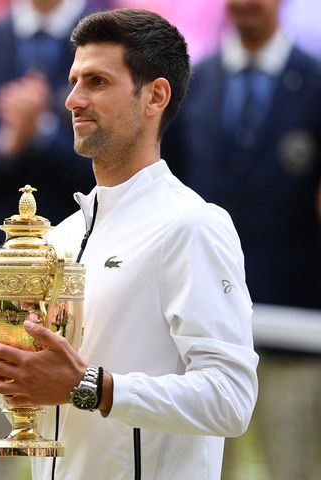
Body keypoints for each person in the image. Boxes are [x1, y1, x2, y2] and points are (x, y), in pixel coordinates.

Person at [0, 8, 259, 479]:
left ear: (155, 96)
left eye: (97, 81)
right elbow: (66, 393)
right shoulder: (61, 235)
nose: (73, 100)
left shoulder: (193, 225)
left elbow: (231, 399)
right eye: (74, 81)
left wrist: (90, 386)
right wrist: (14, 362)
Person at [162, 0, 321, 477]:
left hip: (294, 326)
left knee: (295, 465)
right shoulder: (192, 84)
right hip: (201, 329)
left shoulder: (316, 84)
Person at [0, 0, 103, 274]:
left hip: (80, 254)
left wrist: (43, 133)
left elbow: (123, 158)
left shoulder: (112, 47)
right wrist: (5, 144)